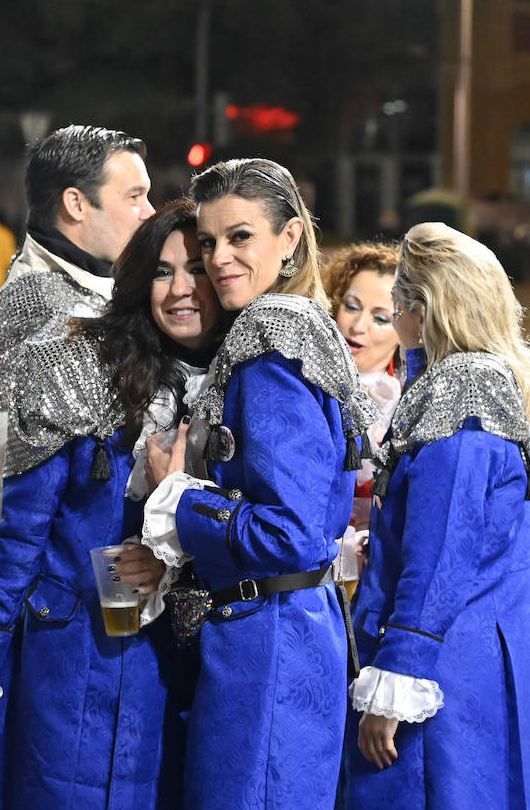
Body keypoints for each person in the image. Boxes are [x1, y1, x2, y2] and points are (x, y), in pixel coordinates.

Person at [0, 199, 219, 809]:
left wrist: (176, 550)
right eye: (162, 272)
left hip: (188, 667)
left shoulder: (246, 382)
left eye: (197, 270)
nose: (181, 290)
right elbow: (23, 527)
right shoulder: (79, 368)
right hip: (74, 660)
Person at [143, 158, 375, 810]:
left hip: (269, 644)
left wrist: (180, 496)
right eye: (210, 241)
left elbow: (291, 534)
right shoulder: (296, 327)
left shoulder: (272, 349)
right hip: (289, 632)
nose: (219, 258)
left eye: (240, 237)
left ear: (291, 239)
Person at [345, 222, 530, 809]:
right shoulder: (479, 382)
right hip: (470, 657)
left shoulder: (460, 399)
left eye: (399, 302)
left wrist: (394, 688)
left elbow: (440, 559)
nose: (392, 314)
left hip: (441, 676)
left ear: (422, 309)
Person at [0, 124, 154, 562]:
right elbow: (21, 491)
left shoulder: (96, 284)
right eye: (134, 196)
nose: (149, 211)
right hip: (73, 588)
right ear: (76, 204)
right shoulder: (33, 308)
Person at [322, 242, 402, 532]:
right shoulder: (302, 384)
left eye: (380, 318)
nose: (358, 325)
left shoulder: (414, 400)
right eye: (352, 306)